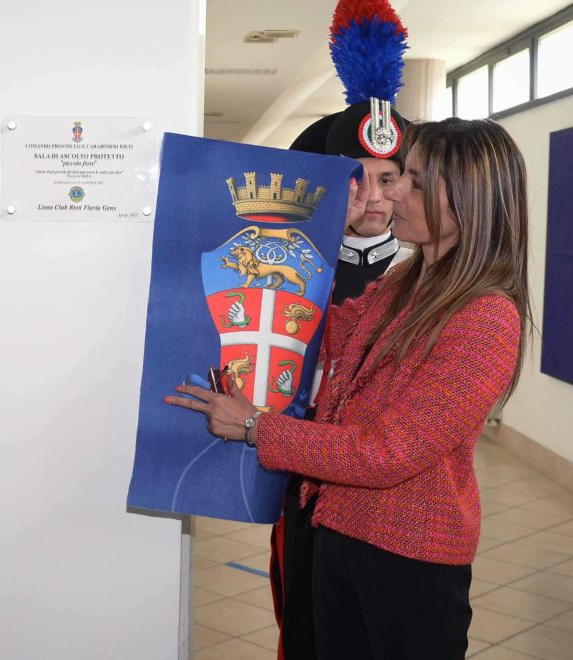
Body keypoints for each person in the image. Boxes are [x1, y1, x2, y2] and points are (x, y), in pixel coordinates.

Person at [166, 117, 531, 659]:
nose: (393, 193)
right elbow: (322, 334)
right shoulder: (408, 281)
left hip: (406, 560)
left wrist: (255, 427)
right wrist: (324, 235)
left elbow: (388, 453)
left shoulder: (485, 318)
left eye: (415, 181)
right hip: (341, 531)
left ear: (469, 202)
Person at [266, 2, 416, 657]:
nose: (375, 198)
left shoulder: (426, 272)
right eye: (357, 179)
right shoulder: (289, 266)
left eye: (390, 179)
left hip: (392, 499)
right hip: (302, 478)